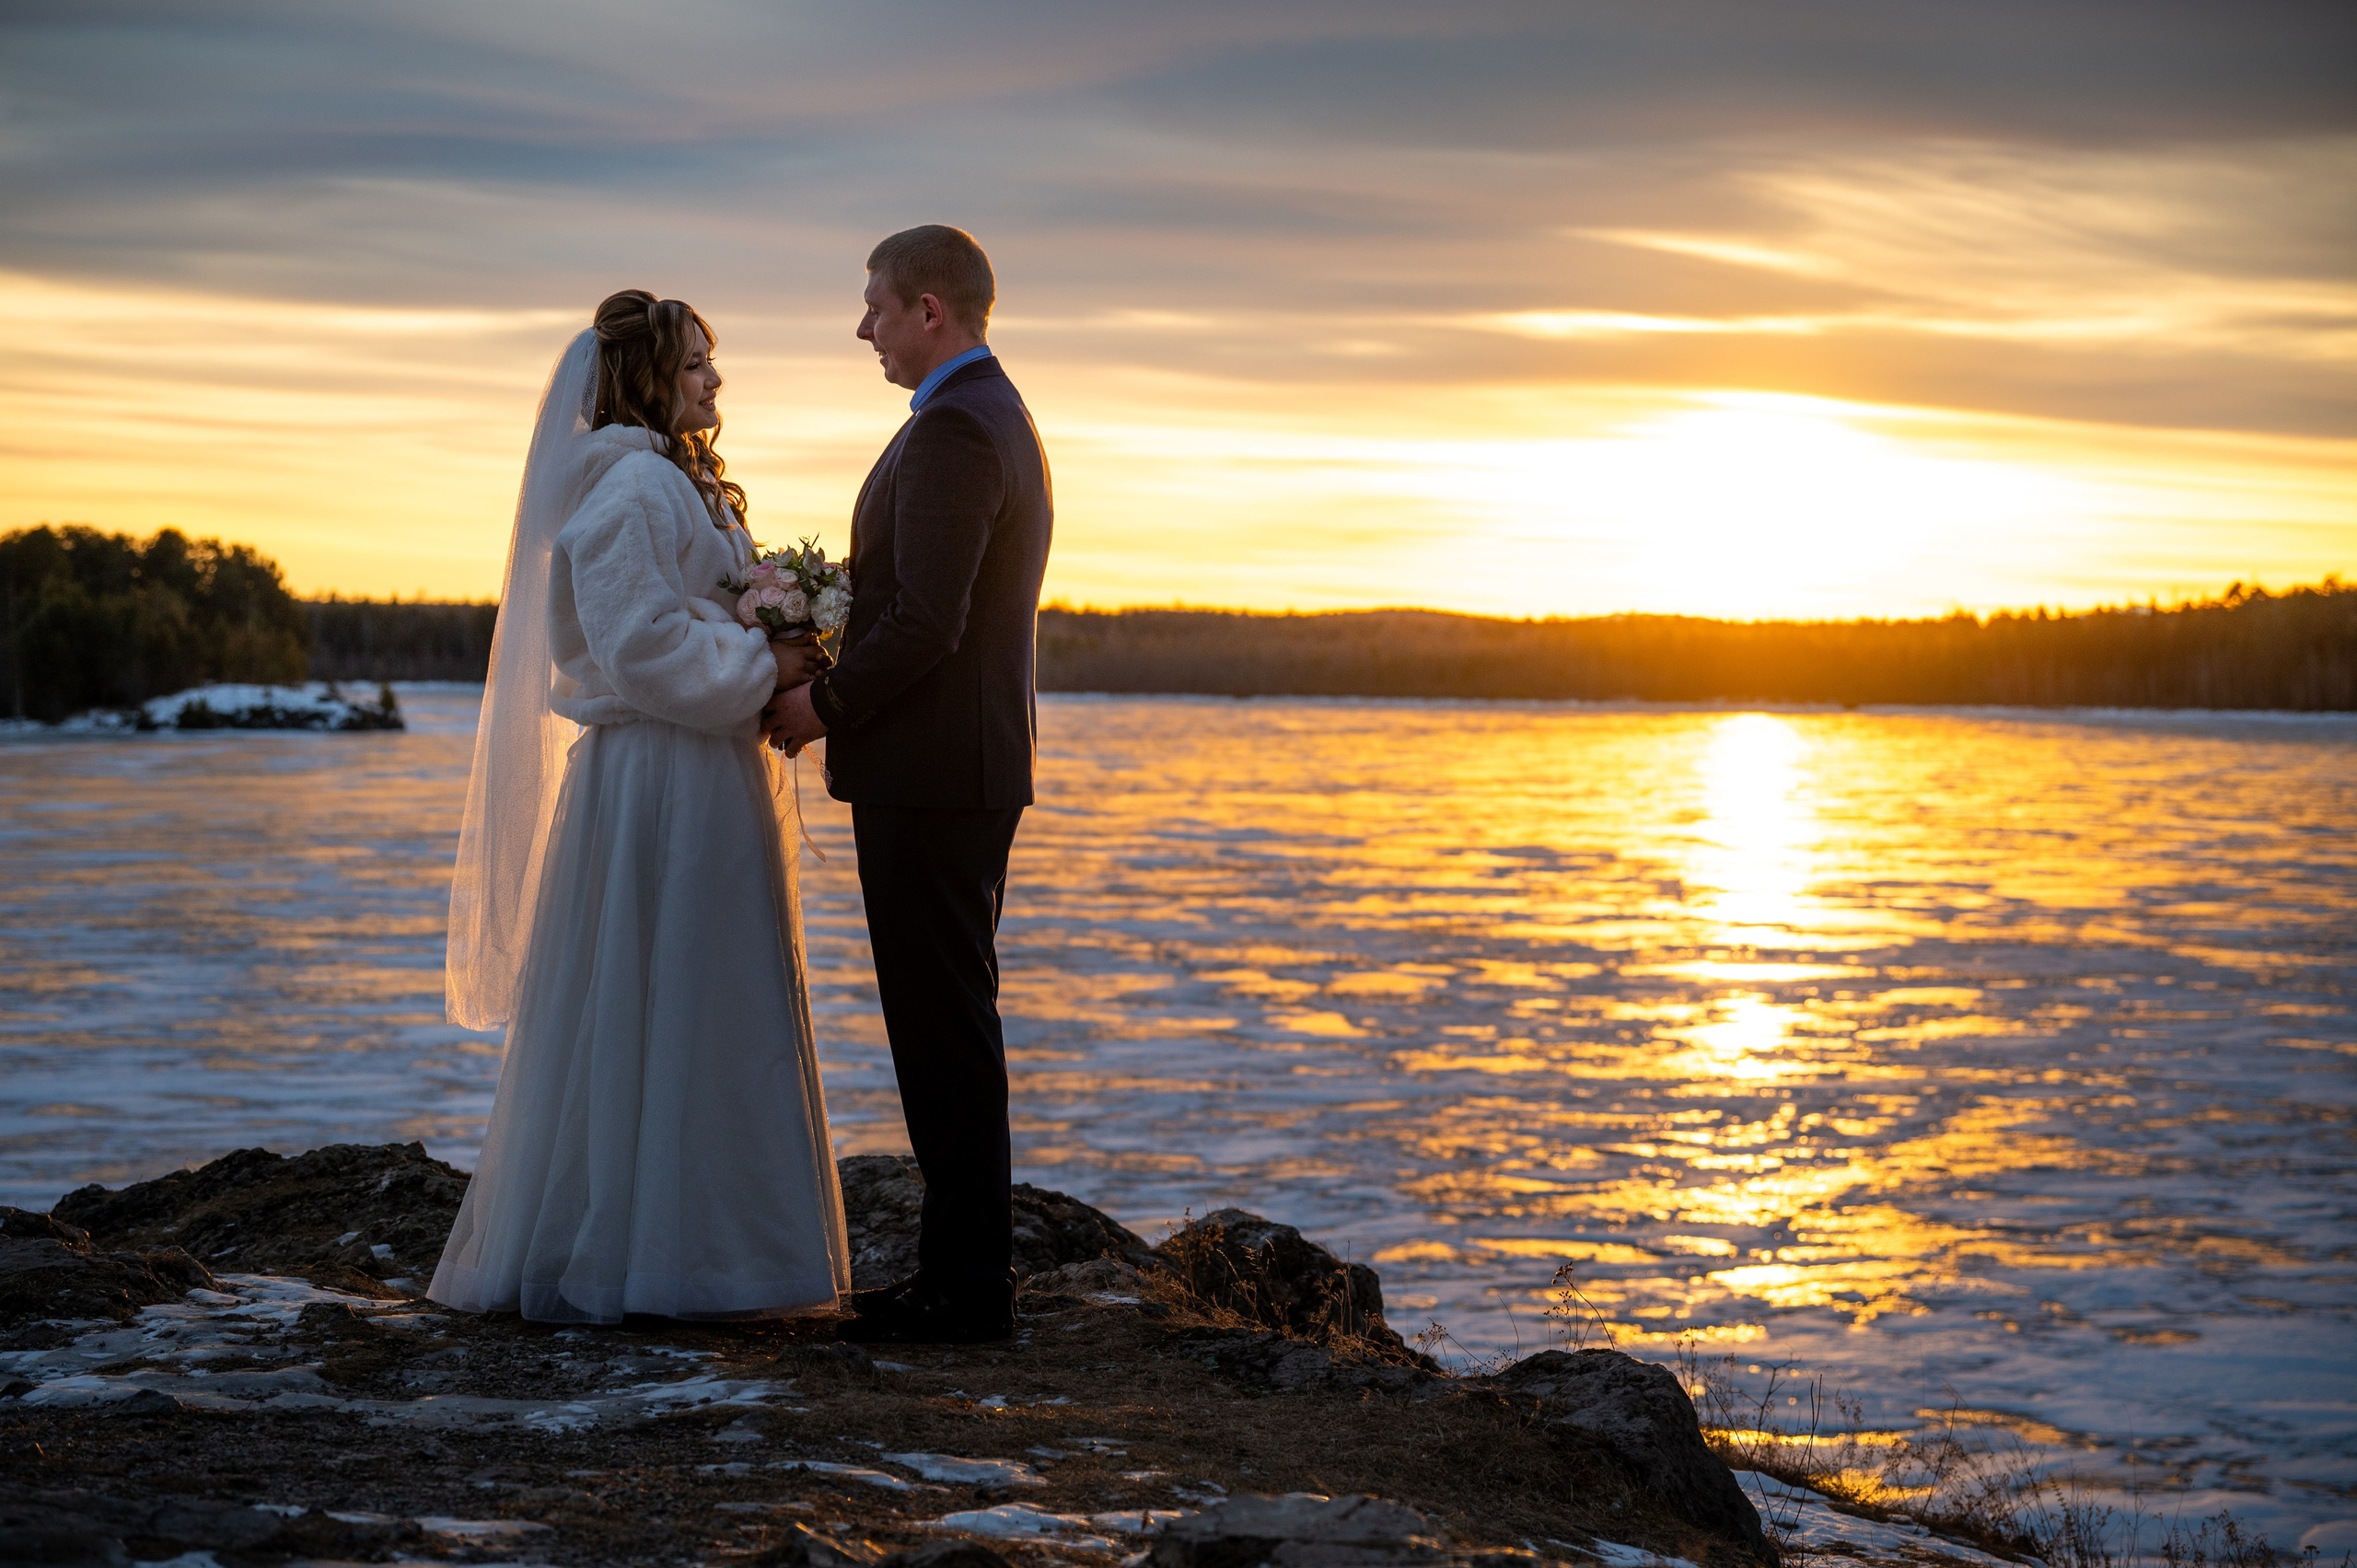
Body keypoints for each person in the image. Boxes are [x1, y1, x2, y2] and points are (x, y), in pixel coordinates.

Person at [429, 289, 850, 1323]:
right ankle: (649, 1259)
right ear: (648, 377)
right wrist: (766, 659)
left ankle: (715, 1252)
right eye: (695, 363)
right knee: (659, 992)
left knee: (711, 998)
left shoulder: (678, 481)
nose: (714, 379)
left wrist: (777, 635)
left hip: (704, 768)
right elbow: (641, 647)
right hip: (657, 777)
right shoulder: (626, 486)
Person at [766, 225, 1053, 1345]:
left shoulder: (956, 429)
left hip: (937, 773)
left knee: (941, 1026)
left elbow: (929, 620)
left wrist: (822, 704)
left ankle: (967, 1287)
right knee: (946, 1020)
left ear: (930, 309)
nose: (863, 327)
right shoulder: (984, 413)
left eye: (876, 306)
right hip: (955, 767)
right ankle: (960, 1271)